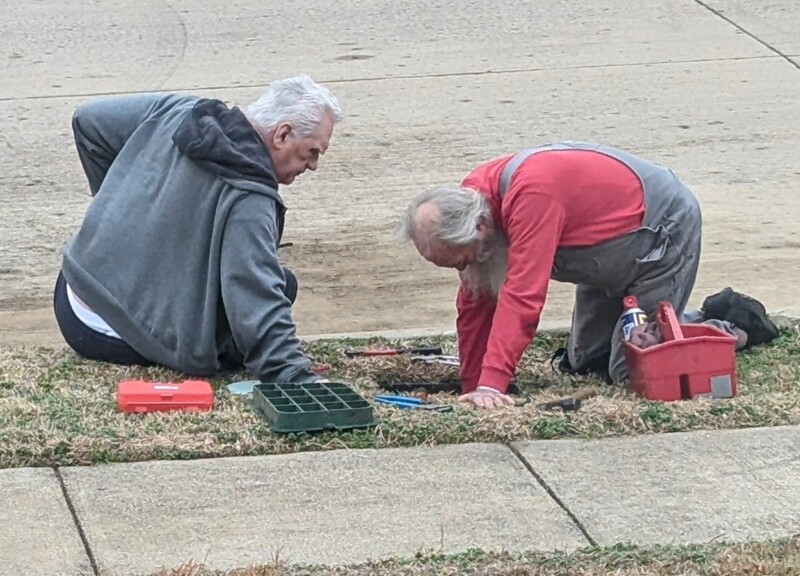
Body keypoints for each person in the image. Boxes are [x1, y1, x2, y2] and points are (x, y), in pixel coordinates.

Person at [399, 141, 779, 409]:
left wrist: (491, 384)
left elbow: (523, 297)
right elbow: (476, 300)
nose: (463, 269)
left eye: (459, 260)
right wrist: (472, 386)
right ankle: (669, 321)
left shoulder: (531, 196)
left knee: (629, 370)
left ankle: (732, 322)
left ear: (480, 227)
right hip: (603, 256)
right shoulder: (471, 203)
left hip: (660, 236)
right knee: (587, 362)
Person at [54, 74, 343, 384]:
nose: (313, 165)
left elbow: (89, 122)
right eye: (312, 152)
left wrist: (122, 211)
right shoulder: (250, 194)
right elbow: (254, 291)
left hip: (73, 293)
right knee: (281, 286)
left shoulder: (180, 111)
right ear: (282, 135)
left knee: (276, 280)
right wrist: (292, 374)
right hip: (103, 331)